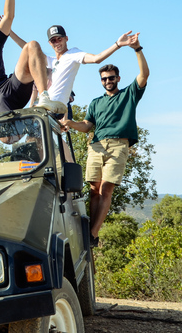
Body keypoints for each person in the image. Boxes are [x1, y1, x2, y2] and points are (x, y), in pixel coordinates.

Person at [60, 35, 149, 247]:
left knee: (106, 188)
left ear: (118, 78)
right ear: (101, 81)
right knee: (94, 189)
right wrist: (71, 123)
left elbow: (144, 75)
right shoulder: (95, 103)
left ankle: (92, 233)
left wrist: (137, 49)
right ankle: (92, 230)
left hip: (119, 145)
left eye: (111, 78)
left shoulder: (128, 95)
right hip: (97, 146)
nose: (108, 81)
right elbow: (87, 126)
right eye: (104, 79)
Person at [36, 25, 138, 115]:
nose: (57, 42)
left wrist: (118, 44)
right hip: (45, 106)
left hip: (56, 107)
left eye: (59, 39)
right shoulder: (51, 60)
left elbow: (96, 58)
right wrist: (18, 36)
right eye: (53, 40)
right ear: (49, 43)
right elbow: (31, 51)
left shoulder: (73, 54)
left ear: (66, 38)